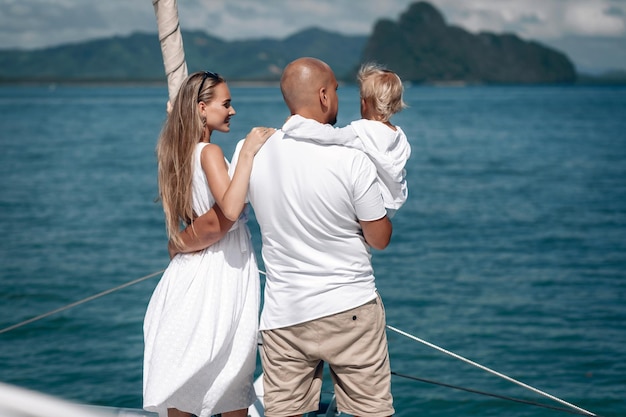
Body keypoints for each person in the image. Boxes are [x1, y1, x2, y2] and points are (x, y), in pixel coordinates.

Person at [143, 70, 275, 417]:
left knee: (186, 383)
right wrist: (247, 152)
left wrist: (180, 243)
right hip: (220, 272)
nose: (232, 111)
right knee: (231, 372)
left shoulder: (176, 153)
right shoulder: (209, 152)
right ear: (202, 109)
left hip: (190, 273)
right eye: (226, 104)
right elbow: (229, 210)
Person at [281, 62, 411, 218]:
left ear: (364, 103)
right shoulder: (399, 135)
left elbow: (330, 135)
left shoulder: (362, 131)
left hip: (377, 199)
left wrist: (296, 124)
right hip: (394, 200)